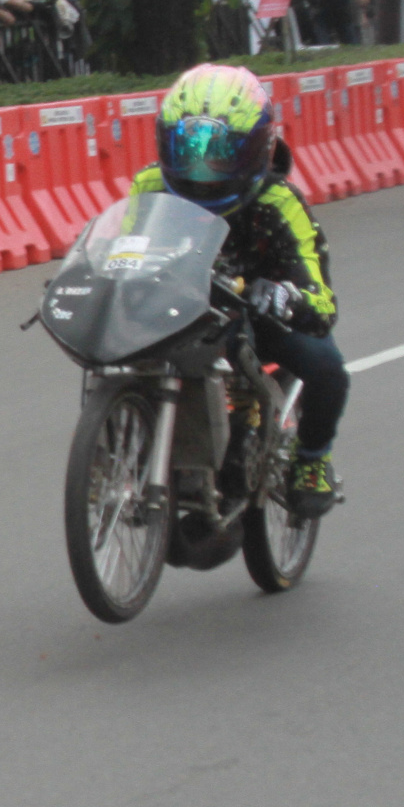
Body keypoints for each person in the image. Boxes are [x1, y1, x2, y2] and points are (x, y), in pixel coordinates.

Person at [131, 64, 347, 516]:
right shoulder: (150, 185)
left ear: (258, 150)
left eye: (220, 152)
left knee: (327, 367)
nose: (201, 167)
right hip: (182, 311)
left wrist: (285, 296)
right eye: (187, 148)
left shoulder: (279, 201)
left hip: (260, 313)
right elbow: (127, 248)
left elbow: (322, 300)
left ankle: (313, 459)